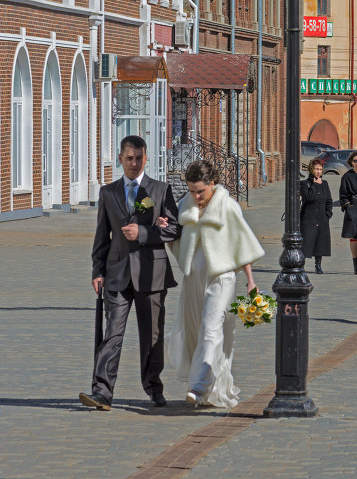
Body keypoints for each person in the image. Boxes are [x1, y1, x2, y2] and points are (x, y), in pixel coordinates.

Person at [79, 135, 181, 411]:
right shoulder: (108, 193)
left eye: (139, 158)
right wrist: (96, 271)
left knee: (152, 335)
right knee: (112, 333)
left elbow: (174, 228)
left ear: (146, 158)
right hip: (116, 272)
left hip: (152, 272)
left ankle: (153, 387)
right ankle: (101, 392)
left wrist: (145, 232)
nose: (134, 163)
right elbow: (102, 236)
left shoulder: (159, 190)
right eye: (129, 158)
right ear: (121, 159)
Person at [164, 159, 264, 407]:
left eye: (201, 191)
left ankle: (197, 388)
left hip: (222, 278)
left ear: (213, 183)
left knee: (211, 329)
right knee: (195, 331)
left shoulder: (227, 207)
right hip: (193, 279)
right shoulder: (184, 206)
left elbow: (242, 243)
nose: (196, 196)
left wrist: (250, 280)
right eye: (192, 191)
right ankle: (206, 387)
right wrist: (165, 230)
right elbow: (177, 240)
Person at [300, 158, 333, 274]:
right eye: (316, 169)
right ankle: (301, 265)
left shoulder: (325, 184)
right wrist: (314, 185)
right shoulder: (304, 184)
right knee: (306, 242)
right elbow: (308, 197)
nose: (318, 172)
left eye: (320, 169)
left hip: (322, 218)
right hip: (308, 218)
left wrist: (327, 215)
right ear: (311, 169)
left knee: (320, 242)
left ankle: (318, 265)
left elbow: (329, 201)